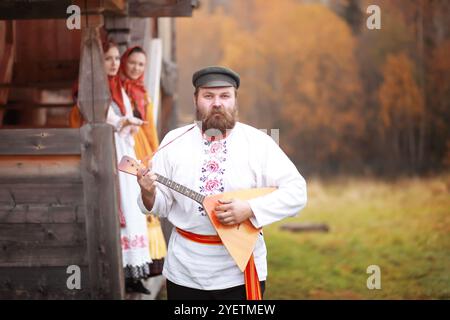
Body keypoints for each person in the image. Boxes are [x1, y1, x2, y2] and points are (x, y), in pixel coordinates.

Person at [136, 66, 307, 300]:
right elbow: (161, 204)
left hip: (240, 271)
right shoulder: (173, 142)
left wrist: (250, 209)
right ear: (196, 100)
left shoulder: (258, 143)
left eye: (225, 96)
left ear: (235, 100)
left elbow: (297, 192)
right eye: (208, 96)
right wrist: (148, 193)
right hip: (185, 272)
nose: (217, 103)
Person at [70, 41, 153, 294]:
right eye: (108, 59)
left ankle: (134, 271)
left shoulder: (120, 88)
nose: (115, 63)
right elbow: (93, 117)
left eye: (117, 58)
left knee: (132, 204)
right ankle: (117, 269)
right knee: (116, 207)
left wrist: (129, 126)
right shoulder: (91, 87)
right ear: (97, 62)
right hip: (104, 154)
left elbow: (123, 124)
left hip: (124, 153)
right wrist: (118, 123)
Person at [119, 46, 167, 277]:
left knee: (145, 199)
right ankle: (128, 262)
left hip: (142, 149)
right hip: (124, 149)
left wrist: (155, 153)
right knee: (128, 199)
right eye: (132, 63)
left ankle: (146, 263)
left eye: (140, 64)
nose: (136, 68)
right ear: (124, 62)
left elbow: (149, 128)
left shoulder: (143, 93)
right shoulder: (116, 89)